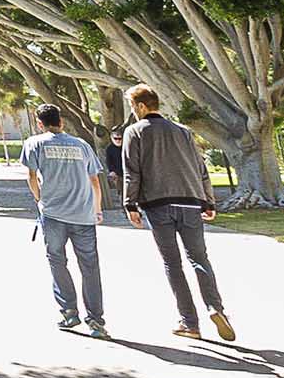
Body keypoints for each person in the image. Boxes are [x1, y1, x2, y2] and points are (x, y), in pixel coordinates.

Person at [121, 85, 235, 342]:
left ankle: (189, 323)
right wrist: (208, 201)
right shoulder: (183, 131)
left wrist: (130, 204)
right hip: (190, 203)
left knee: (173, 264)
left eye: (132, 107)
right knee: (199, 259)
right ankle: (216, 308)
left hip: (157, 203)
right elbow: (201, 168)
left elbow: (132, 171)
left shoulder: (135, 132)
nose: (133, 112)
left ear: (140, 106)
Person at [23, 104, 108, 338]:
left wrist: (40, 199)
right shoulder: (82, 145)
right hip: (83, 215)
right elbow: (94, 181)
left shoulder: (34, 143)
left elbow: (31, 176)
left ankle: (69, 312)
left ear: (40, 123)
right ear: (61, 121)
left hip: (53, 214)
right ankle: (96, 321)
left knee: (57, 261)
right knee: (90, 267)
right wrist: (97, 209)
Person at [105, 128, 126, 210]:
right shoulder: (109, 149)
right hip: (118, 174)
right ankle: (125, 209)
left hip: (129, 172)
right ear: (111, 138)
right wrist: (112, 171)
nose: (118, 140)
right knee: (121, 192)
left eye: (119, 138)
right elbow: (109, 162)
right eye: (115, 138)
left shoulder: (126, 146)